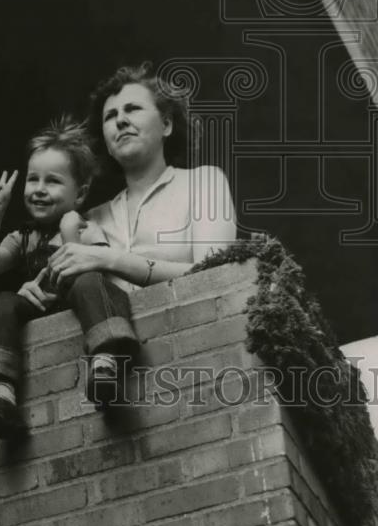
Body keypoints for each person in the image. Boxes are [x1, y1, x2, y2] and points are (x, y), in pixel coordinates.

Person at [46, 62, 237, 386]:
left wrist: (109, 258)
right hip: (108, 389)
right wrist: (35, 291)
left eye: (132, 108)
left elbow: (217, 276)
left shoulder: (204, 183)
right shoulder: (87, 219)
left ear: (166, 124)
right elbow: (58, 296)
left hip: (199, 366)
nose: (120, 119)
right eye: (110, 116)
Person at [0, 117, 122, 440]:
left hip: (77, 303)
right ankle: (1, 396)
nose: (38, 189)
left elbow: (93, 273)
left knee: (91, 284)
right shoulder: (24, 237)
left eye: (52, 181)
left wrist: (69, 232)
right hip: (38, 306)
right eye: (32, 179)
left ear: (79, 194)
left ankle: (105, 365)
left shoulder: (84, 228)